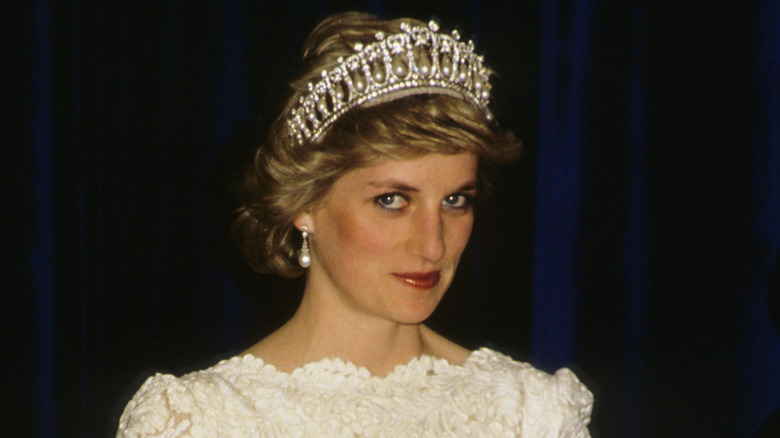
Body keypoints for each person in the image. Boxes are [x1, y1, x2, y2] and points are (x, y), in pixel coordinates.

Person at [117, 12, 593, 437]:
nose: (433, 245)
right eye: (392, 200)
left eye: (455, 201)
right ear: (302, 202)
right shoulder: (198, 421)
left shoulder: (529, 413)